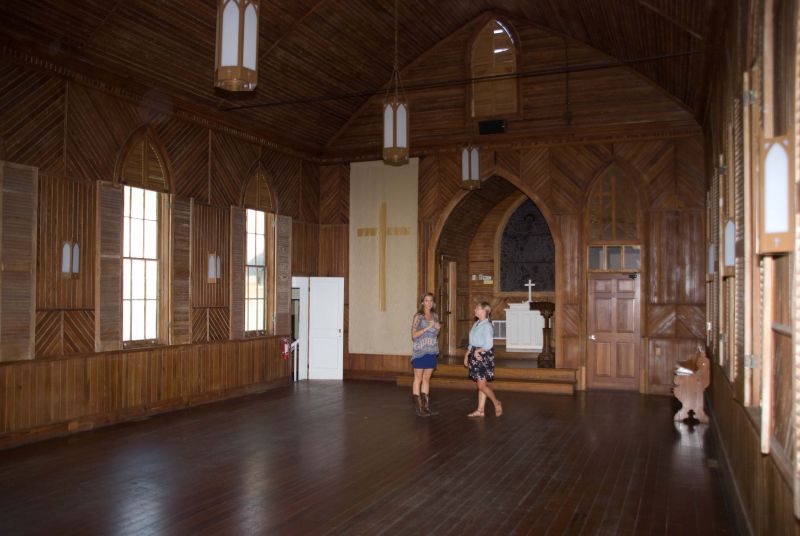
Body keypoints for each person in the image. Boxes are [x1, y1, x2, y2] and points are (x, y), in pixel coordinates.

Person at [463, 302, 502, 417]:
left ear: (484, 311)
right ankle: (480, 410)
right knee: (481, 384)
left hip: (483, 356)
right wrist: (467, 354)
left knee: (481, 386)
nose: (474, 309)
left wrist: (477, 351)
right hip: (475, 354)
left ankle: (496, 402)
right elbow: (472, 343)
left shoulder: (487, 326)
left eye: (477, 308)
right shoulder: (476, 324)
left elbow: (489, 344)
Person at [410, 293, 441, 417]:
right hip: (419, 350)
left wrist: (438, 328)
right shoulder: (418, 316)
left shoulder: (435, 316)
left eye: (431, 301)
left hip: (431, 350)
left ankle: (426, 407)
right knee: (418, 378)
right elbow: (413, 335)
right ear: (422, 302)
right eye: (426, 300)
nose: (428, 303)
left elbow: (435, 334)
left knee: (426, 379)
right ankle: (418, 408)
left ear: (433, 303)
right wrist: (427, 327)